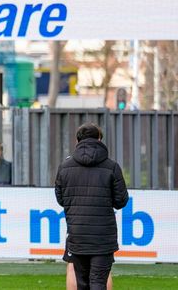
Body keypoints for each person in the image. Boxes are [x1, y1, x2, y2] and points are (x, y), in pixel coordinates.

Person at [55, 123, 130, 290]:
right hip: (103, 236)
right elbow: (121, 200)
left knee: (82, 283)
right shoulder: (112, 166)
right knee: (98, 281)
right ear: (99, 139)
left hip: (77, 234)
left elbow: (61, 199)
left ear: (77, 141)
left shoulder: (65, 167)